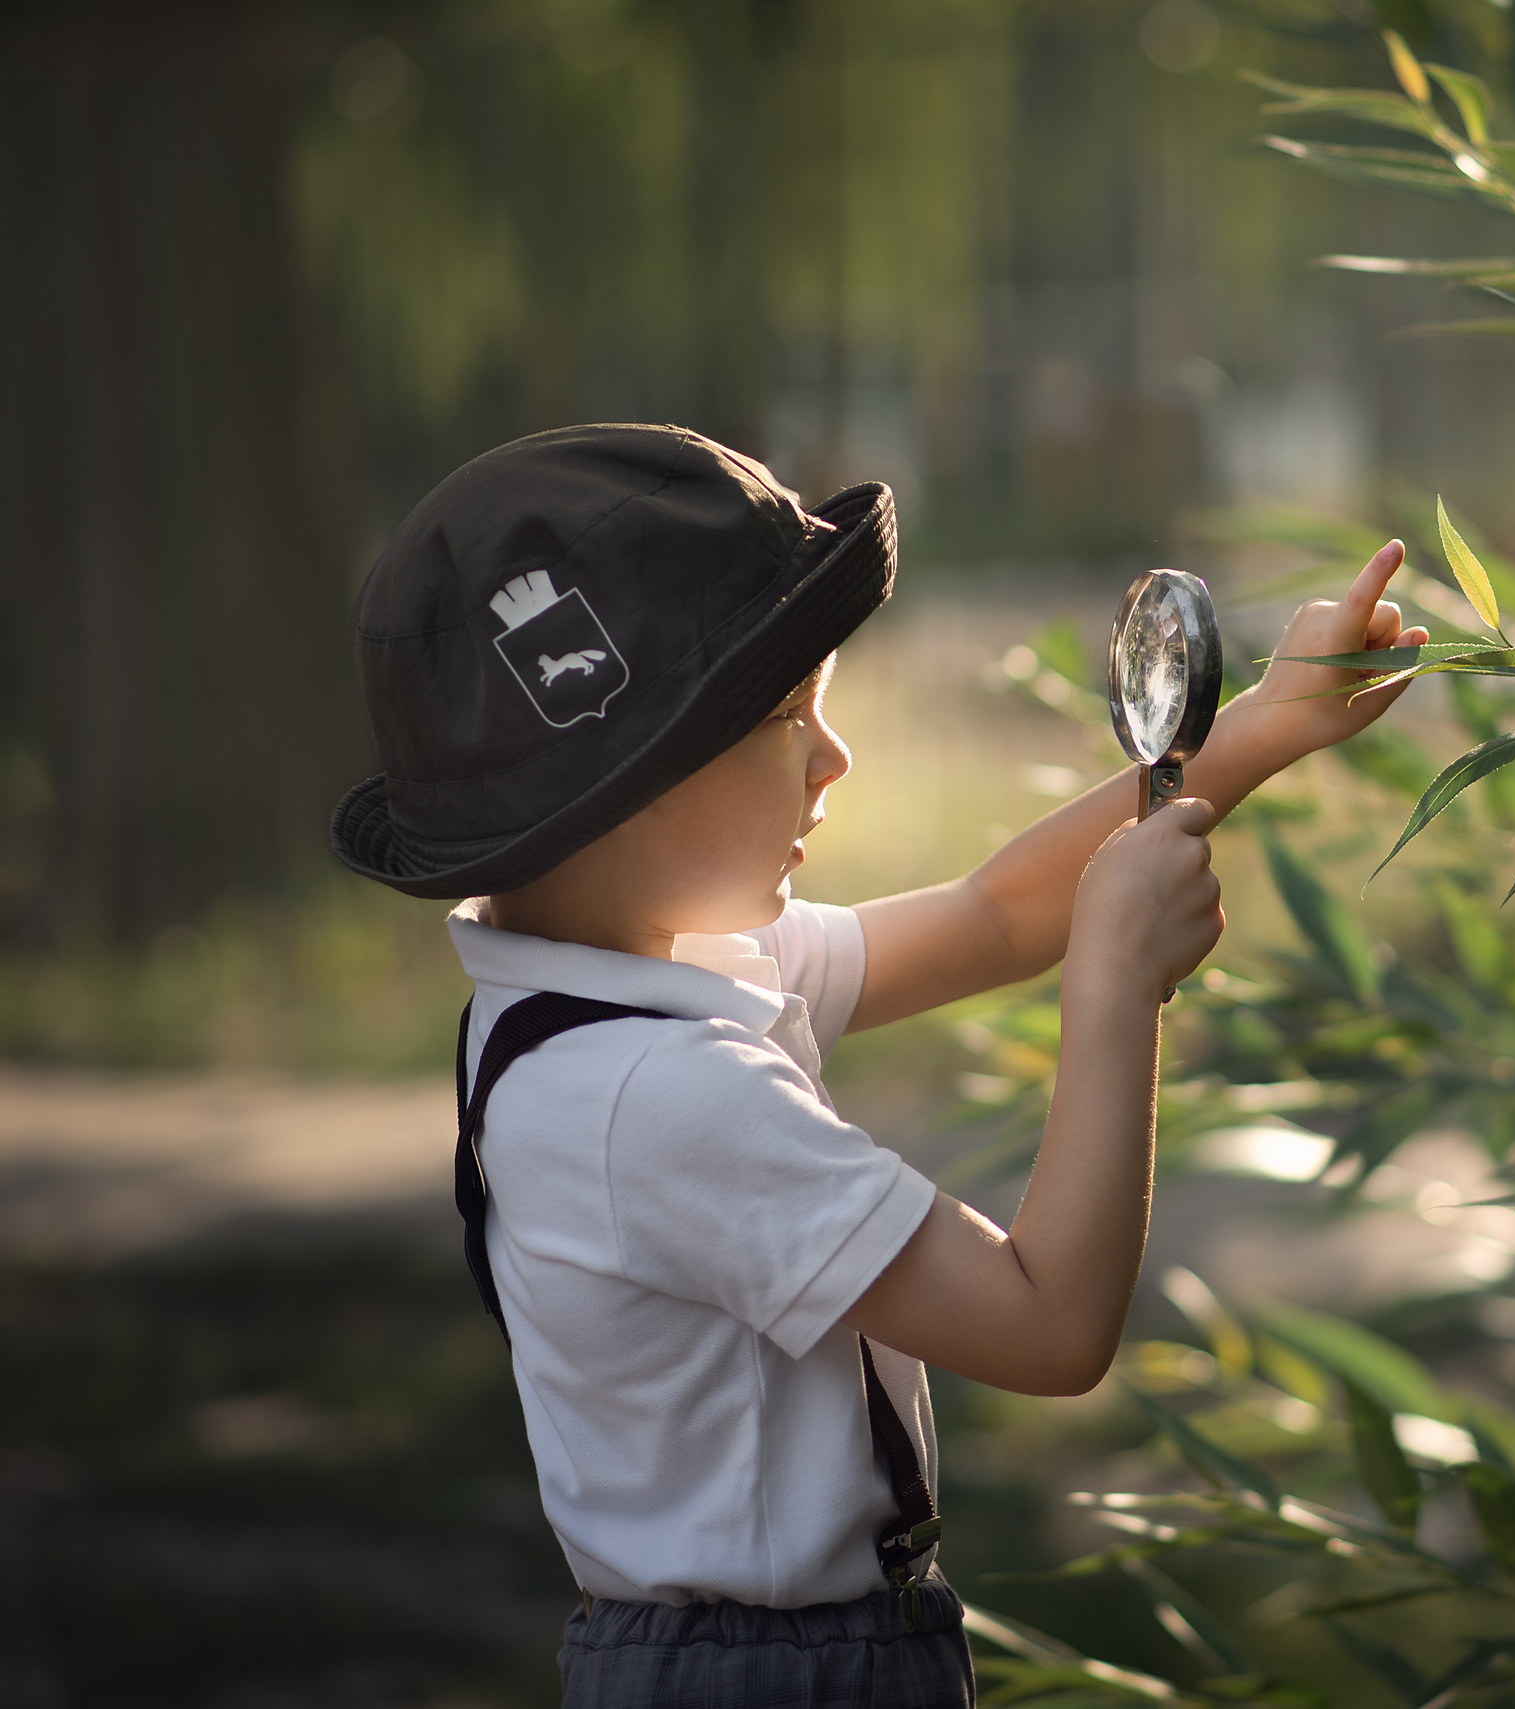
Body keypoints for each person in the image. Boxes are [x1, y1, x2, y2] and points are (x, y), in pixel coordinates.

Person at [329, 423, 1426, 1706]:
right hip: (775, 1680)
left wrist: (1255, 729)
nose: (834, 756)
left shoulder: (593, 987)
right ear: (611, 786)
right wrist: (1117, 986)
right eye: (786, 715)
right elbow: (1048, 1321)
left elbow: (989, 915)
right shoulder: (660, 1095)